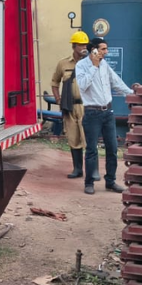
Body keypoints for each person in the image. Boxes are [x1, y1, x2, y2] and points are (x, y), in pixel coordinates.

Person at [75, 37, 138, 195]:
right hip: (92, 112)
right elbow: (83, 85)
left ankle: (110, 181)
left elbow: (116, 82)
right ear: (93, 50)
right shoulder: (81, 66)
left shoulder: (105, 65)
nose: (106, 52)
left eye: (106, 49)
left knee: (112, 148)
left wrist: (132, 94)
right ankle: (89, 183)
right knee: (91, 150)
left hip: (107, 113)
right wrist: (94, 67)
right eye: (103, 49)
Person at [49, 31, 90, 179]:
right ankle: (77, 169)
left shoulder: (91, 62)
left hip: (87, 106)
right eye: (80, 44)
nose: (84, 47)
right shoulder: (63, 63)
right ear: (74, 46)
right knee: (73, 138)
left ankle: (93, 171)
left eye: (85, 44)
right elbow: (54, 82)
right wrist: (58, 99)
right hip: (70, 106)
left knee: (88, 138)